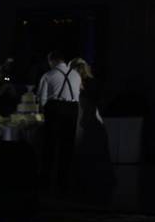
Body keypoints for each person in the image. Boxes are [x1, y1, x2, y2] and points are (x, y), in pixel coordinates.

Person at [69, 58, 114, 201]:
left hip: (86, 116)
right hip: (91, 117)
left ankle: (86, 180)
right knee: (93, 148)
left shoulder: (83, 83)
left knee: (85, 147)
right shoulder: (90, 82)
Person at [37, 50, 81, 191]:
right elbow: (77, 95)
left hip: (55, 109)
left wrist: (44, 112)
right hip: (72, 109)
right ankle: (63, 181)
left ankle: (45, 180)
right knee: (67, 146)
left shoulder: (48, 75)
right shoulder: (76, 74)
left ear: (52, 61)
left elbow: (42, 99)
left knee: (49, 145)